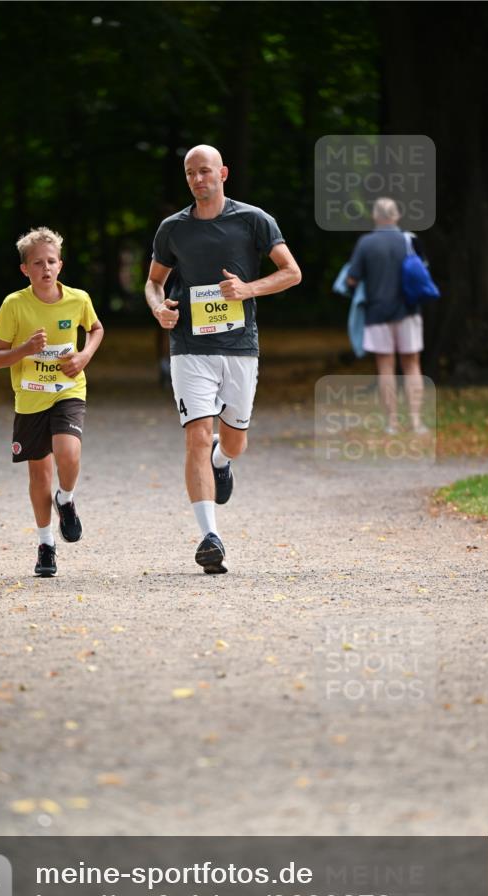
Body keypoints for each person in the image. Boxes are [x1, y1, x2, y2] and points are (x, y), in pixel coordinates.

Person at [145, 145, 301, 574]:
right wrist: (158, 308)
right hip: (189, 348)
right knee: (195, 436)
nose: (199, 179)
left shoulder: (253, 220)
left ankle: (223, 460)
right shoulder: (172, 229)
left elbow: (292, 272)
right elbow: (154, 283)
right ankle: (209, 537)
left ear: (223, 173)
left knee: (233, 441)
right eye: (191, 173)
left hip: (239, 348)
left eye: (206, 171)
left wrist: (248, 289)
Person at [0, 227, 104, 577]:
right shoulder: (14, 304)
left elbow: (96, 329)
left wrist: (84, 356)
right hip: (30, 397)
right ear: (25, 269)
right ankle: (45, 545)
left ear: (61, 264)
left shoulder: (78, 299)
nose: (46, 268)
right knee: (39, 472)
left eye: (51, 261)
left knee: (68, 452)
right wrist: (25, 349)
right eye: (37, 263)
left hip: (68, 389)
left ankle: (66, 499)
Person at [346, 197, 428, 434]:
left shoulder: (366, 243)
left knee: (386, 368)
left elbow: (352, 279)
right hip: (409, 311)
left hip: (377, 313)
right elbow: (423, 272)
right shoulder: (410, 240)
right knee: (412, 365)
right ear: (396, 216)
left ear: (375, 216)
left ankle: (392, 423)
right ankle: (415, 422)